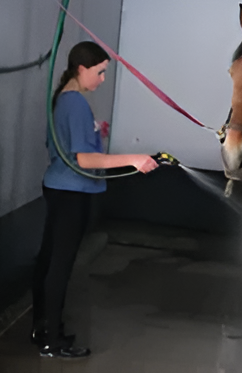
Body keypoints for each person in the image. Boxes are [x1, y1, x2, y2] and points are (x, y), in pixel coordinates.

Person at [31, 41, 159, 359]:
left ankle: (43, 329)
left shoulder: (64, 100)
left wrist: (95, 133)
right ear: (81, 69)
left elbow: (67, 145)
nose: (102, 80)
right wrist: (134, 159)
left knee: (49, 260)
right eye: (100, 72)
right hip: (71, 192)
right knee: (59, 265)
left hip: (59, 188)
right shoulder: (74, 102)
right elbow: (84, 160)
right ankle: (53, 341)